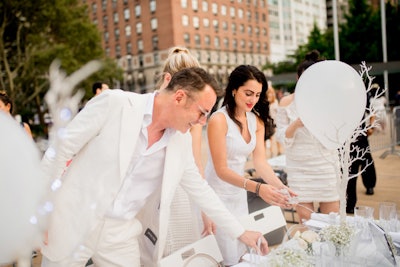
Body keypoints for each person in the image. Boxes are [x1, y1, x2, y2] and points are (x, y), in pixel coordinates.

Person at [40, 67, 269, 267]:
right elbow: (58, 153)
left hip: (120, 233)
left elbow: (201, 190)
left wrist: (241, 232)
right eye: (201, 113)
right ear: (179, 97)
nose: (202, 122)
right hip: (71, 222)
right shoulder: (115, 103)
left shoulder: (181, 141)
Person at [204, 65, 294, 266]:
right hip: (216, 194)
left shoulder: (256, 122)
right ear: (234, 89)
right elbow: (221, 170)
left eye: (257, 95)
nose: (252, 99)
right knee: (221, 255)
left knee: (240, 252)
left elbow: (260, 163)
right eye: (248, 93)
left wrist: (281, 188)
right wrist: (258, 188)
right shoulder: (219, 120)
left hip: (239, 194)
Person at [146, 46, 208, 257]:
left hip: (156, 191)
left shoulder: (150, 106)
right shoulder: (192, 115)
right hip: (177, 191)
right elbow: (197, 162)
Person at [275, 50, 340, 223]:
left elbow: (338, 133)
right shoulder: (286, 102)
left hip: (325, 164)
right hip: (299, 167)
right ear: (298, 79)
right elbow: (280, 136)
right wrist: (296, 124)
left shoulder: (329, 101)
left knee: (331, 218)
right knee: (306, 219)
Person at [346, 94, 378, 214]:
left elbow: (371, 111)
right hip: (346, 138)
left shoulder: (362, 95)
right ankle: (349, 204)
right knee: (350, 170)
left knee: (367, 162)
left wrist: (371, 127)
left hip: (361, 134)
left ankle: (370, 186)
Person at [266, 84, 283, 157]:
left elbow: (279, 113)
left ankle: (279, 151)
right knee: (271, 138)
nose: (270, 94)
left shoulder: (275, 102)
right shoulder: (266, 103)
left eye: (271, 92)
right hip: (269, 123)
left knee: (277, 138)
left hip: (276, 123)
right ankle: (272, 152)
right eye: (269, 92)